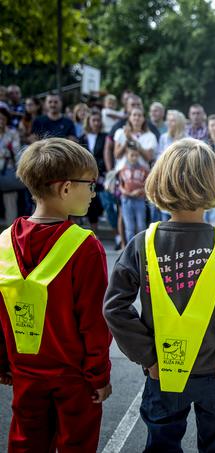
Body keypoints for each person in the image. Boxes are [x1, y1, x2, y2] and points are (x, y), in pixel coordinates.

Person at [104, 138, 215, 452]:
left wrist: (148, 357)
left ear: (159, 182)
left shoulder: (142, 243)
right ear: (214, 185)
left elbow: (115, 308)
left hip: (163, 374)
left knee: (161, 444)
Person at [1, 138, 111, 452]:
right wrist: (99, 375)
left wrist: (2, 363)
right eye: (90, 184)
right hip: (74, 380)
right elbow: (93, 322)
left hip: (24, 373)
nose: (93, 192)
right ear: (65, 189)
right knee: (76, 444)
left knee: (25, 443)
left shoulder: (4, 242)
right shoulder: (84, 246)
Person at [78, 110, 107, 229]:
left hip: (101, 174)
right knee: (92, 203)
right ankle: (93, 230)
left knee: (101, 202)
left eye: (98, 120)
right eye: (93, 120)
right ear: (89, 122)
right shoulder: (82, 138)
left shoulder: (105, 137)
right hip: (86, 175)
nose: (96, 123)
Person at [118, 144, 150, 243]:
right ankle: (130, 249)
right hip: (126, 200)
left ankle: (141, 248)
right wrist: (125, 192)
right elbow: (119, 185)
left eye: (136, 155)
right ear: (127, 155)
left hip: (139, 200)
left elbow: (148, 186)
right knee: (129, 227)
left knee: (141, 225)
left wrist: (140, 191)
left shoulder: (144, 170)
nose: (134, 157)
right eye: (132, 155)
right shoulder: (123, 169)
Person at [0, 106, 21, 225]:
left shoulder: (13, 133)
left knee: (11, 202)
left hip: (7, 171)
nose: (0, 121)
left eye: (2, 118)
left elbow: (16, 151)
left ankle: (11, 231)